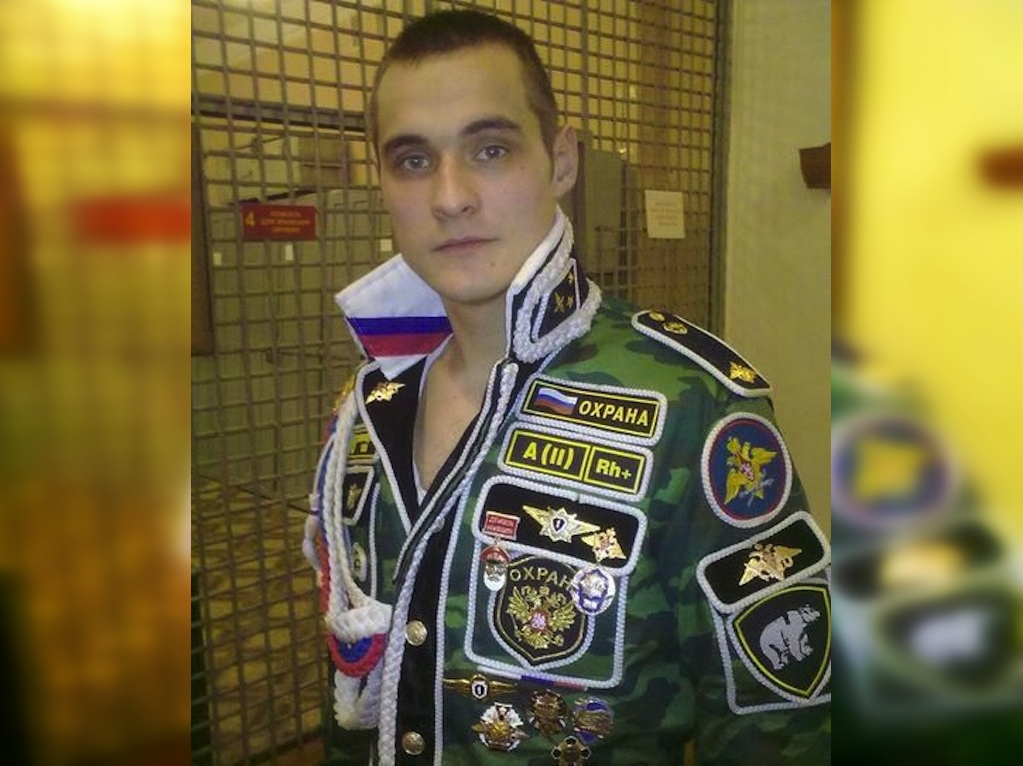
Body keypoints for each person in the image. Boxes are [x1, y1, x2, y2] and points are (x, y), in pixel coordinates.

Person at [304, 9, 831, 765]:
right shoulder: (365, 411)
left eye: (490, 149)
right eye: (413, 160)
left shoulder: (692, 404)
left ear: (559, 161)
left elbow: (779, 724)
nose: (449, 197)